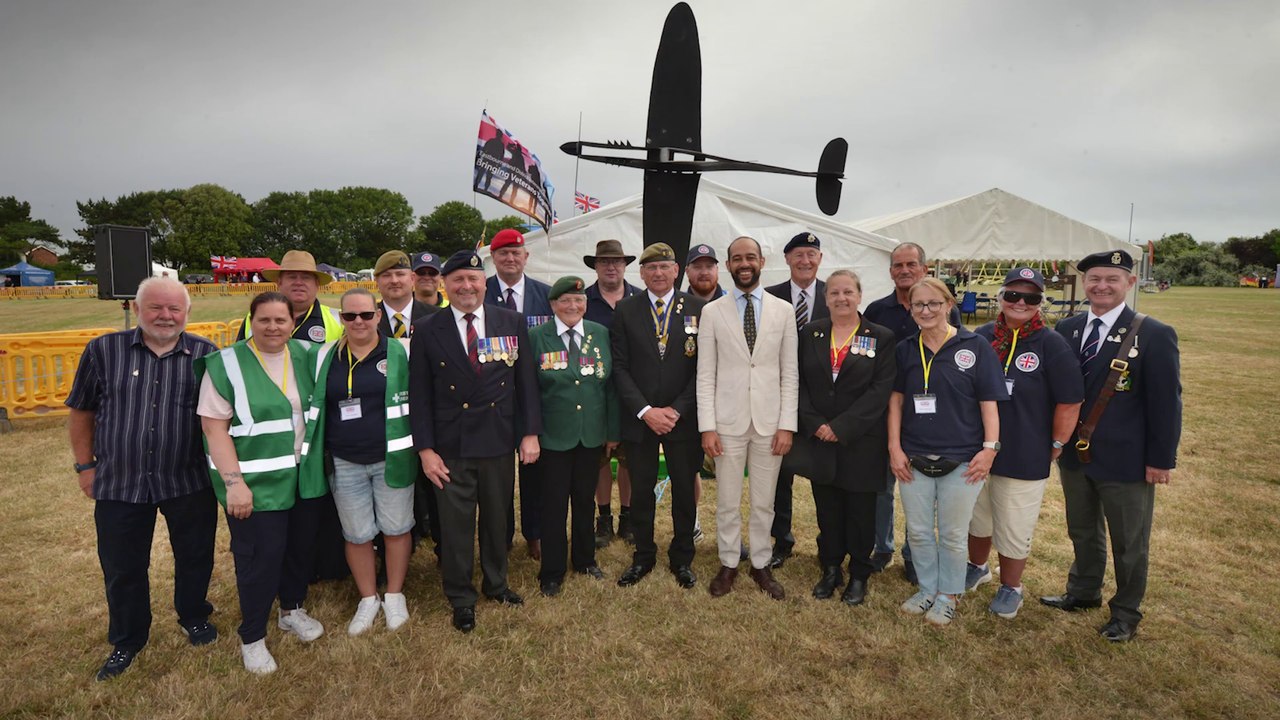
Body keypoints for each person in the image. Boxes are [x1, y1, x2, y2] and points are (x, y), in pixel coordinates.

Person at [66, 277, 219, 681]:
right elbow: (81, 410)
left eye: (174, 309)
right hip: (120, 482)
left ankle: (194, 616)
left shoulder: (206, 354)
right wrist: (86, 467)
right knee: (122, 566)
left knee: (195, 556)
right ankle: (128, 639)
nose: (165, 316)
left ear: (188, 313)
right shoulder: (104, 350)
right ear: (137, 309)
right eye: (156, 307)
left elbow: (220, 418)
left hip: (188, 480)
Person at [1041, 250, 1181, 642]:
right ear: (1084, 283)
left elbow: (1166, 403)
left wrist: (1160, 459)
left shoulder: (1154, 334)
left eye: (1112, 279)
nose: (1101, 286)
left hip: (1126, 459)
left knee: (1129, 542)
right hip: (1074, 454)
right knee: (1082, 529)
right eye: (1094, 279)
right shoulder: (1066, 329)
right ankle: (1083, 591)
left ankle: (1125, 612)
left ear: (1129, 284)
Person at [410, 250, 542, 633]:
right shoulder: (428, 328)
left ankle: (497, 584)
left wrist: (529, 432)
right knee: (454, 525)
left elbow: (526, 384)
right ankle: (461, 596)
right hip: (450, 444)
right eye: (457, 281)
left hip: (498, 439)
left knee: (498, 519)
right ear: (445, 286)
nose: (466, 287)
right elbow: (419, 394)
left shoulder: (511, 321)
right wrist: (426, 450)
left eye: (472, 279)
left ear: (484, 283)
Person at [196, 291, 324, 674]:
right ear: (251, 321)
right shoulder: (226, 364)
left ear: (292, 323)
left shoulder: (306, 355)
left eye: (280, 320)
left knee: (298, 551)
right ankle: (252, 636)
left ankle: (291, 610)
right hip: (254, 483)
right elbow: (213, 429)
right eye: (264, 319)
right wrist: (234, 483)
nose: (272, 327)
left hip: (303, 478)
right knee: (259, 560)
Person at [888, 278, 1006, 626]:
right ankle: (927, 589)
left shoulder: (976, 346)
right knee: (920, 531)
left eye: (933, 304)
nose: (926, 311)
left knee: (954, 534)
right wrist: (894, 448)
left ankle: (949, 593)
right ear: (910, 309)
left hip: (963, 458)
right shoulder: (906, 349)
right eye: (918, 305)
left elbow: (990, 404)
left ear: (949, 304)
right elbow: (895, 402)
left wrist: (989, 450)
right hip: (914, 457)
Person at [966, 268, 1083, 619]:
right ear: (1000, 297)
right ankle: (977, 567)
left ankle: (1011, 586)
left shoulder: (1051, 344)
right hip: (976, 446)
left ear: (1039, 304)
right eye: (1013, 295)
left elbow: (1070, 400)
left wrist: (1057, 442)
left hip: (1024, 449)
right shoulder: (982, 336)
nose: (1020, 303)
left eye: (1030, 298)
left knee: (1014, 524)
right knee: (977, 515)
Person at [300, 288, 417, 635]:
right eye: (350, 316)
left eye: (366, 315)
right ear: (340, 318)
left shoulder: (402, 350)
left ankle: (394, 594)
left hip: (391, 455)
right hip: (344, 459)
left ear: (378, 316)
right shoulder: (323, 357)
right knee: (356, 533)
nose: (359, 322)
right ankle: (368, 598)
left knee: (396, 528)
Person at [698, 236, 797, 600]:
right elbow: (705, 374)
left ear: (761, 261)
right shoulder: (712, 312)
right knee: (726, 499)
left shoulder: (783, 310)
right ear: (728, 265)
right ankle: (727, 562)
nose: (744, 263)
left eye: (750, 257)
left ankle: (760, 563)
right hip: (727, 423)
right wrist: (707, 426)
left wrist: (787, 424)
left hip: (770, 423)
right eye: (737, 258)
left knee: (763, 501)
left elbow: (790, 373)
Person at [790, 269, 895, 606]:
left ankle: (859, 575)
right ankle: (831, 568)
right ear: (826, 298)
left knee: (861, 514)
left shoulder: (880, 336)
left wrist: (843, 426)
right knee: (829, 511)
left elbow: (880, 391)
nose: (841, 298)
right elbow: (801, 382)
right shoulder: (812, 332)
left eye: (848, 292)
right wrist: (815, 422)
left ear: (859, 295)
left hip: (861, 443)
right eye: (834, 293)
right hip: (820, 439)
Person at [864, 242, 963, 582]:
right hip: (887, 412)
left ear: (924, 268)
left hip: (928, 420)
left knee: (919, 489)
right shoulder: (877, 310)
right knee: (883, 486)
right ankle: (883, 547)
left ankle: (913, 553)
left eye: (910, 264)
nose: (904, 270)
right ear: (890, 271)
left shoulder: (944, 308)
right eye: (897, 265)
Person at [611, 242, 705, 590]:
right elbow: (619, 367)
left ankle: (682, 558)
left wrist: (678, 409)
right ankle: (643, 556)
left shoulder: (698, 307)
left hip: (683, 418)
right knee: (641, 491)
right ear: (642, 273)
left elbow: (704, 368)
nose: (658, 274)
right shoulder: (626, 309)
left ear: (676, 270)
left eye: (665, 268)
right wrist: (647, 410)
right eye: (651, 268)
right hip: (642, 419)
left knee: (683, 490)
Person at [529, 276, 620, 596]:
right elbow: (530, 391)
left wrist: (611, 432)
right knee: (553, 506)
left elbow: (608, 387)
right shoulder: (537, 337)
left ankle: (584, 560)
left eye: (578, 301)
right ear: (553, 305)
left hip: (591, 436)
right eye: (565, 301)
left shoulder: (599, 334)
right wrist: (531, 433)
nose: (572, 306)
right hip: (553, 438)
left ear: (585, 304)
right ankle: (552, 571)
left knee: (584, 501)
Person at [484, 228, 553, 561]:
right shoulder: (478, 293)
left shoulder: (547, 294)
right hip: (492, 397)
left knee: (534, 469)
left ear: (526, 257)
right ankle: (502, 533)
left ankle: (535, 533)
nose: (510, 258)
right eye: (503, 253)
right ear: (492, 258)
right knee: (497, 473)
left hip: (535, 394)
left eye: (516, 253)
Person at [763, 231, 828, 568]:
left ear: (820, 259)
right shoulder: (769, 296)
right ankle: (781, 540)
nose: (805, 260)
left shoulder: (837, 294)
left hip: (820, 405)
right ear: (786, 259)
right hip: (778, 401)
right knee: (779, 476)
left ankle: (827, 542)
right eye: (798, 254)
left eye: (812, 254)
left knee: (824, 477)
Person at [581, 239, 641, 547]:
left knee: (629, 459)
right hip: (595, 392)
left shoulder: (640, 299)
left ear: (625, 265)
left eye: (617, 261)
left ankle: (628, 517)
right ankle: (603, 517)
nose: (611, 266)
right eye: (605, 262)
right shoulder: (583, 301)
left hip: (633, 393)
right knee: (600, 460)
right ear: (596, 266)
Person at [236, 249, 343, 344]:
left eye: (306, 278)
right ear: (279, 282)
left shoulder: (340, 320)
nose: (298, 282)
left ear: (316, 284)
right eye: (292, 277)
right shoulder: (255, 317)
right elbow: (240, 359)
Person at [374, 250, 439, 338]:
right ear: (376, 282)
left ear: (412, 279)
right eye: (386, 275)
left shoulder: (437, 316)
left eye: (400, 274)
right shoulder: (367, 318)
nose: (394, 281)